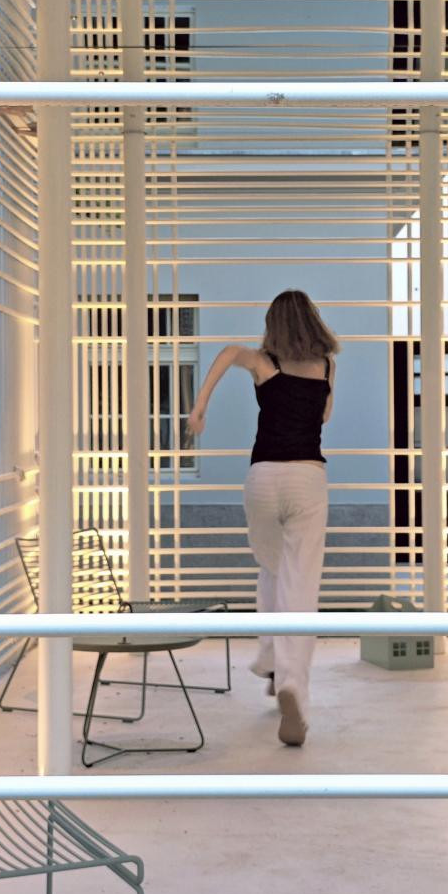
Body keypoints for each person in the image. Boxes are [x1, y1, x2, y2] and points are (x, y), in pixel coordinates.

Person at [183, 290, 337, 748]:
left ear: (273, 324)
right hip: (307, 478)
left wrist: (200, 406)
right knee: (299, 586)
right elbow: (325, 416)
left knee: (271, 568)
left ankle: (271, 661)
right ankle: (291, 683)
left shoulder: (264, 363)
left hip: (262, 478)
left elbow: (230, 352)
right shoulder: (326, 365)